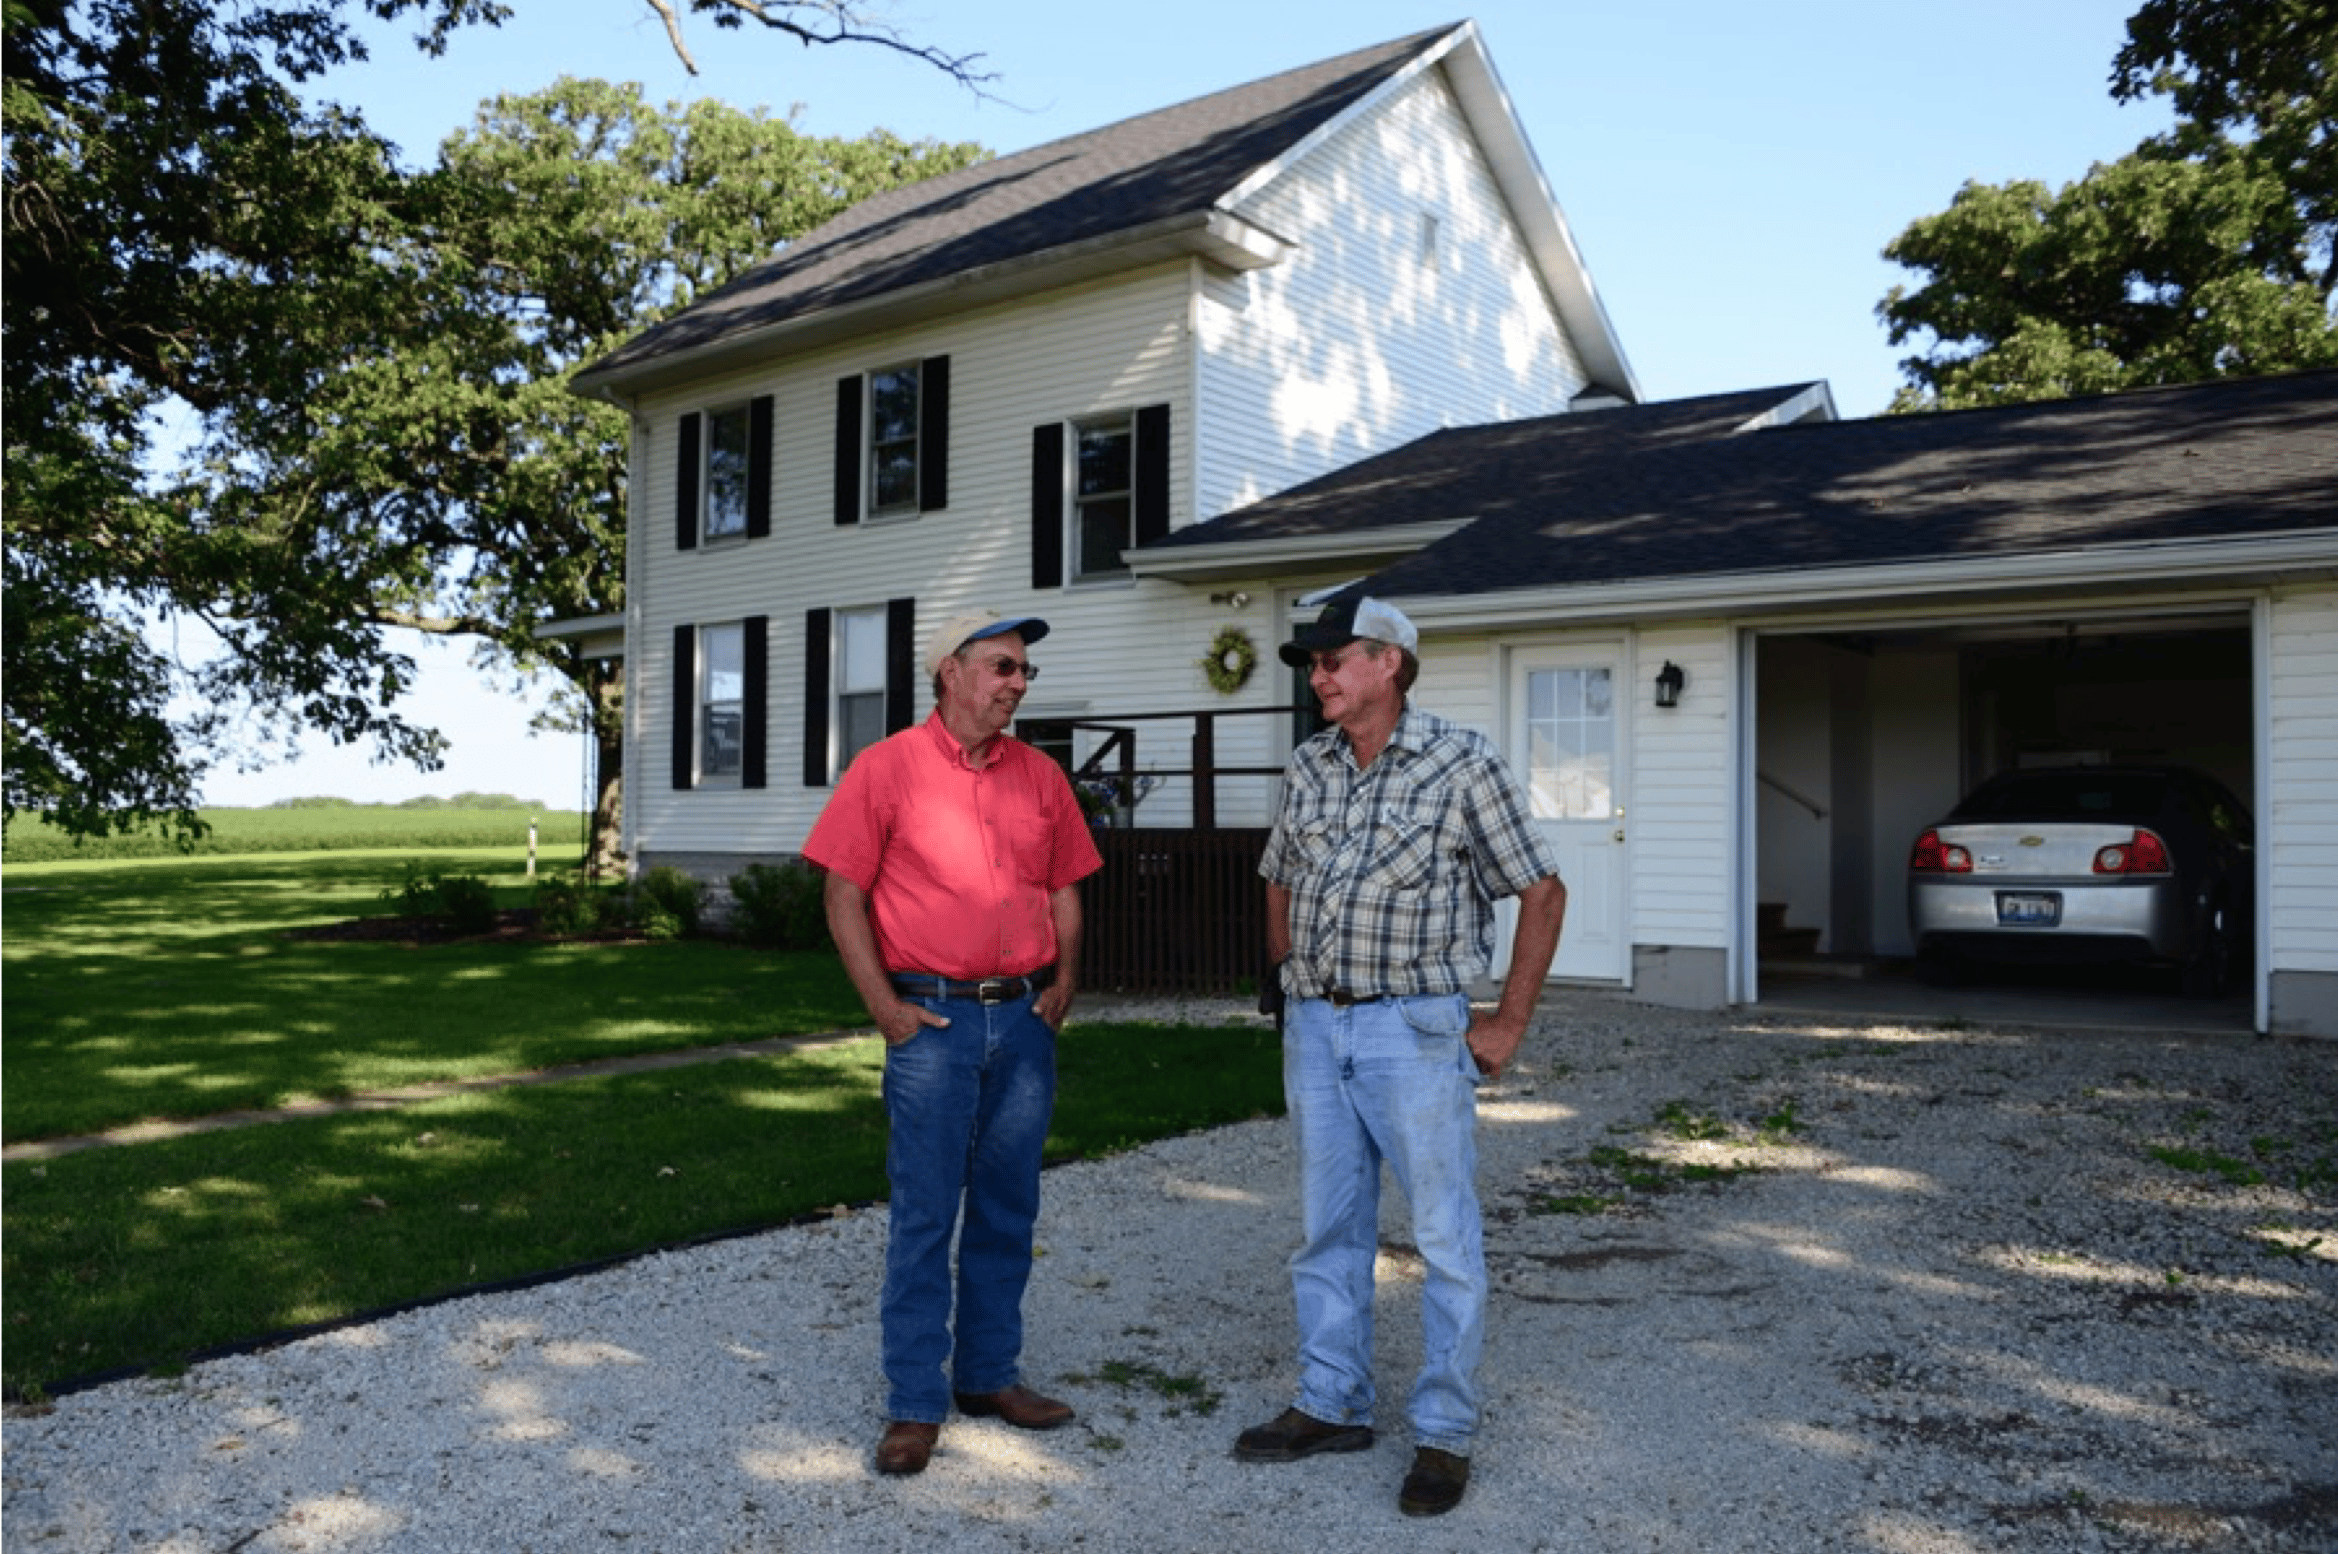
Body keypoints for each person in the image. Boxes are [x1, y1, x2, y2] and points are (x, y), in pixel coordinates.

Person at [1235, 594, 1567, 1518]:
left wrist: (1504, 1025)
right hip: (1318, 1025)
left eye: (1333, 659)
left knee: (1444, 1238)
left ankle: (1444, 1433)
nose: (1319, 677)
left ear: (1389, 662)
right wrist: (1286, 982)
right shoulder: (1310, 764)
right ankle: (1332, 1400)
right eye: (1312, 665)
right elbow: (1281, 877)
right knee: (1327, 1227)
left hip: (1415, 1029)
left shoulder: (1460, 762)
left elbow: (1541, 891)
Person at [802, 609, 1104, 1478]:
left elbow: (1065, 887)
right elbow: (841, 897)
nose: (1016, 682)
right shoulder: (885, 768)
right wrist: (886, 1013)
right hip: (930, 1023)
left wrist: (1065, 980)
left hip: (1023, 1020)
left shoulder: (1041, 776)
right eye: (1003, 667)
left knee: (1010, 1208)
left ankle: (987, 1377)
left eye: (1024, 673)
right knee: (926, 1212)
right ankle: (912, 1402)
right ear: (952, 671)